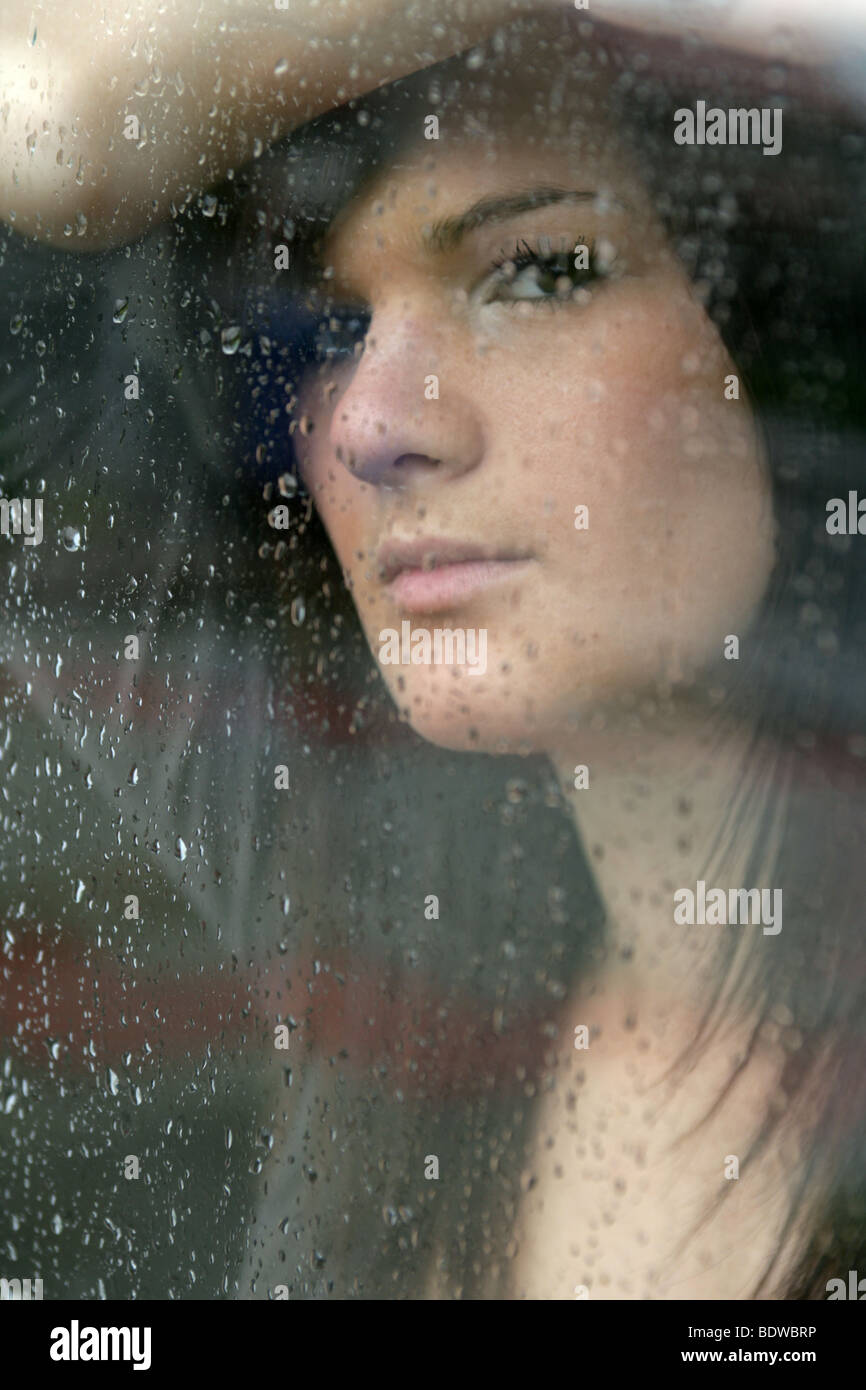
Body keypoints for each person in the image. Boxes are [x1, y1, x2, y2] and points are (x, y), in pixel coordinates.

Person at [3, 2, 865, 1300]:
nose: (373, 426)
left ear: (792, 347)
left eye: (537, 273)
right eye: (331, 325)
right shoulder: (382, 893)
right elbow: (43, 146)